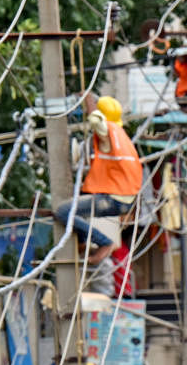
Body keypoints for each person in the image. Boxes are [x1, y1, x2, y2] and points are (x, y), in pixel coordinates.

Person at [52, 95, 142, 262]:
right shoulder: (122, 137)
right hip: (125, 199)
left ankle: (105, 243)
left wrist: (88, 100)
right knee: (81, 208)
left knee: (63, 211)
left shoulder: (108, 132)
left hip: (112, 198)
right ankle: (86, 242)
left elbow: (95, 120)